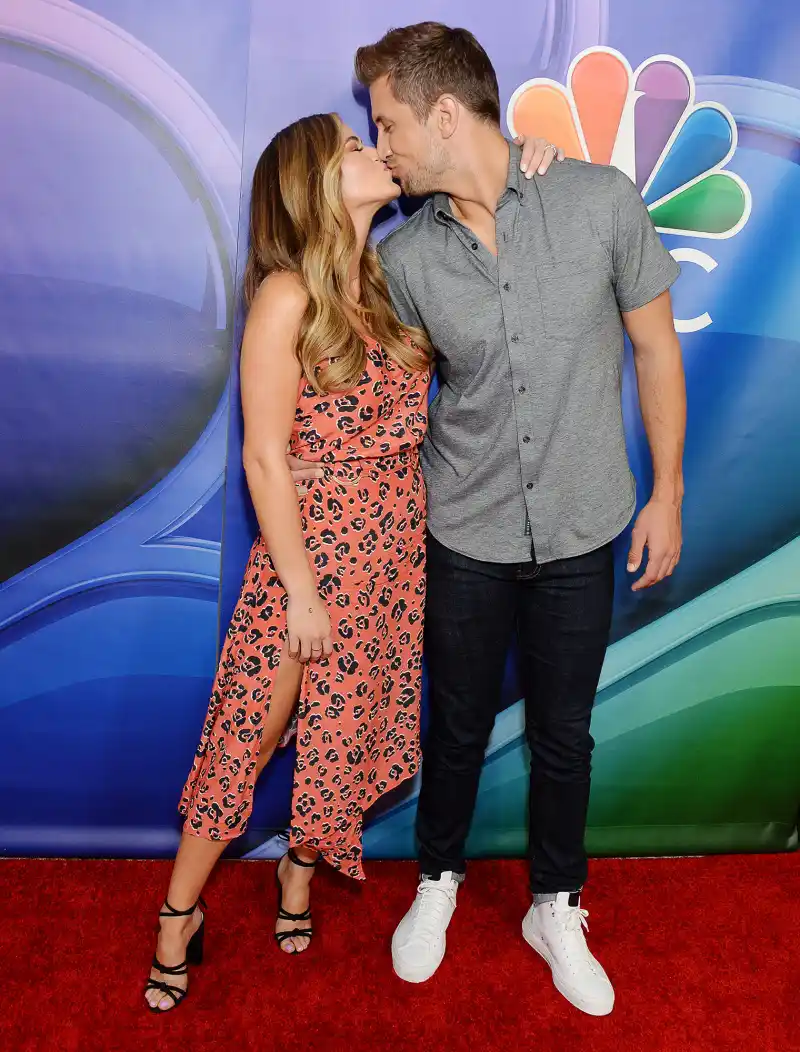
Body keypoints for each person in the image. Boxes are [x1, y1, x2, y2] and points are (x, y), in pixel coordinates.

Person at [143, 110, 560, 1013]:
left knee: (352, 734)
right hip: (312, 561)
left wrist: (534, 155)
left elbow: (492, 214)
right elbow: (263, 455)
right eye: (354, 147)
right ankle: (178, 914)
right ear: (315, 183)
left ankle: (299, 872)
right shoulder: (287, 294)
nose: (376, 152)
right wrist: (299, 590)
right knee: (248, 744)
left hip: (393, 559)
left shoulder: (384, 284)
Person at [347, 23, 686, 1017]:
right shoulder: (404, 259)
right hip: (465, 532)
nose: (382, 146)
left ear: (445, 113)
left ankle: (554, 900)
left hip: (585, 525)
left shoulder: (596, 201)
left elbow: (656, 353)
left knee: (565, 733)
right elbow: (382, 391)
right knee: (451, 726)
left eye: (388, 123)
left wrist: (665, 490)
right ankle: (437, 879)